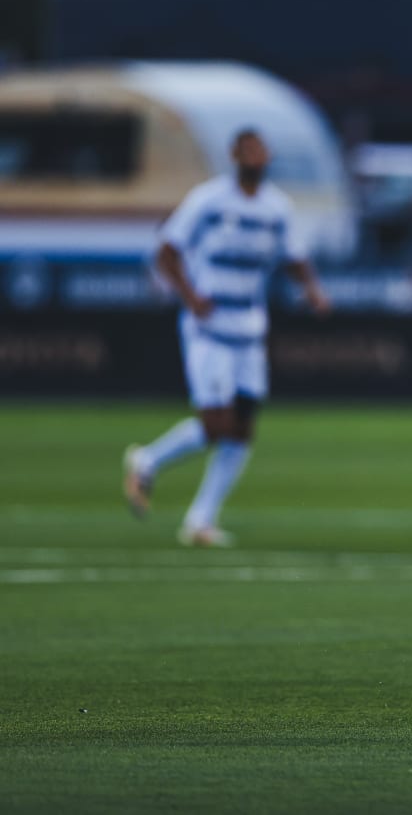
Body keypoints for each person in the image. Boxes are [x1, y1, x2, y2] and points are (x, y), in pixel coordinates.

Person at [122, 128, 330, 547]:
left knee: (242, 429)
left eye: (260, 147)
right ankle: (148, 459)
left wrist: (312, 290)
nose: (255, 155)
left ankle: (200, 520)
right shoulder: (209, 199)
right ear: (234, 154)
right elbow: (166, 250)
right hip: (209, 329)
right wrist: (191, 296)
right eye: (248, 148)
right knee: (217, 424)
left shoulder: (277, 207)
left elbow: (295, 256)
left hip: (249, 329)